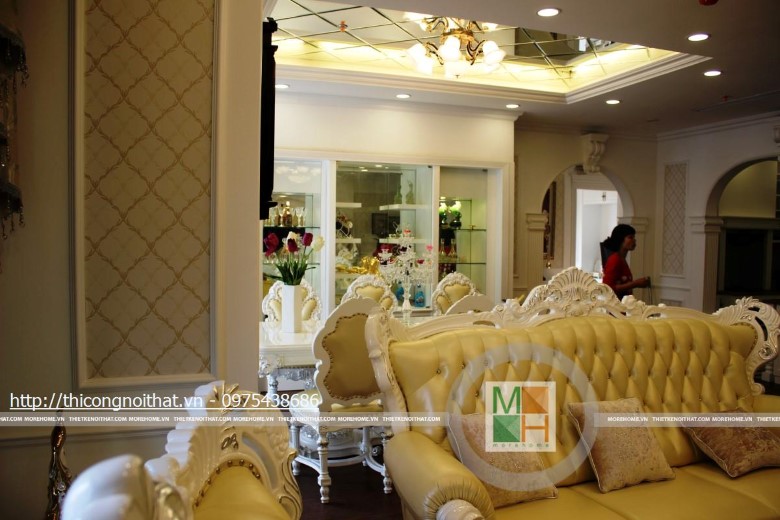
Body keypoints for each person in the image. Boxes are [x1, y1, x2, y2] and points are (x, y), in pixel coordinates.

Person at [600, 224, 650, 299]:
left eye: (634, 237)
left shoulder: (621, 259)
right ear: (620, 239)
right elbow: (608, 288)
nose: (634, 240)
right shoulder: (614, 260)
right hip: (615, 305)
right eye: (630, 237)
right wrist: (635, 283)